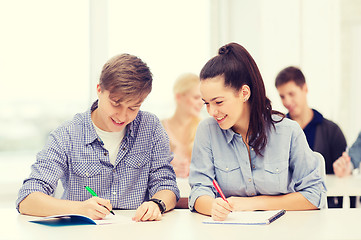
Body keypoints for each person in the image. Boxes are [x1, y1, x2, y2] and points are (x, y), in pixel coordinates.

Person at [16, 53, 180, 222]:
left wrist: (156, 204)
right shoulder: (67, 135)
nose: (122, 116)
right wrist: (79, 208)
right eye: (116, 103)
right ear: (99, 90)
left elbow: (166, 185)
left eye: (133, 108)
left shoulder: (150, 127)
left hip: (138, 231)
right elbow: (27, 200)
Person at [189, 42, 326, 221]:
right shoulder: (207, 131)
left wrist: (253, 204)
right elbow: (199, 190)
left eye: (219, 102)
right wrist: (212, 206)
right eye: (206, 103)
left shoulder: (288, 132)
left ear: (244, 93)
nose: (211, 111)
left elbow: (315, 195)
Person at [275, 66, 347, 208]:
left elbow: (343, 170)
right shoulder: (277, 131)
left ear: (305, 89)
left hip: (324, 206)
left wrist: (344, 169)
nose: (287, 101)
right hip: (289, 209)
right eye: (282, 96)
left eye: (291, 93)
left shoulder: (332, 131)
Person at [161, 73, 203, 178]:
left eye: (203, 99)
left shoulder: (204, 129)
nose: (201, 103)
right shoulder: (159, 128)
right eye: (196, 97)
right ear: (178, 97)